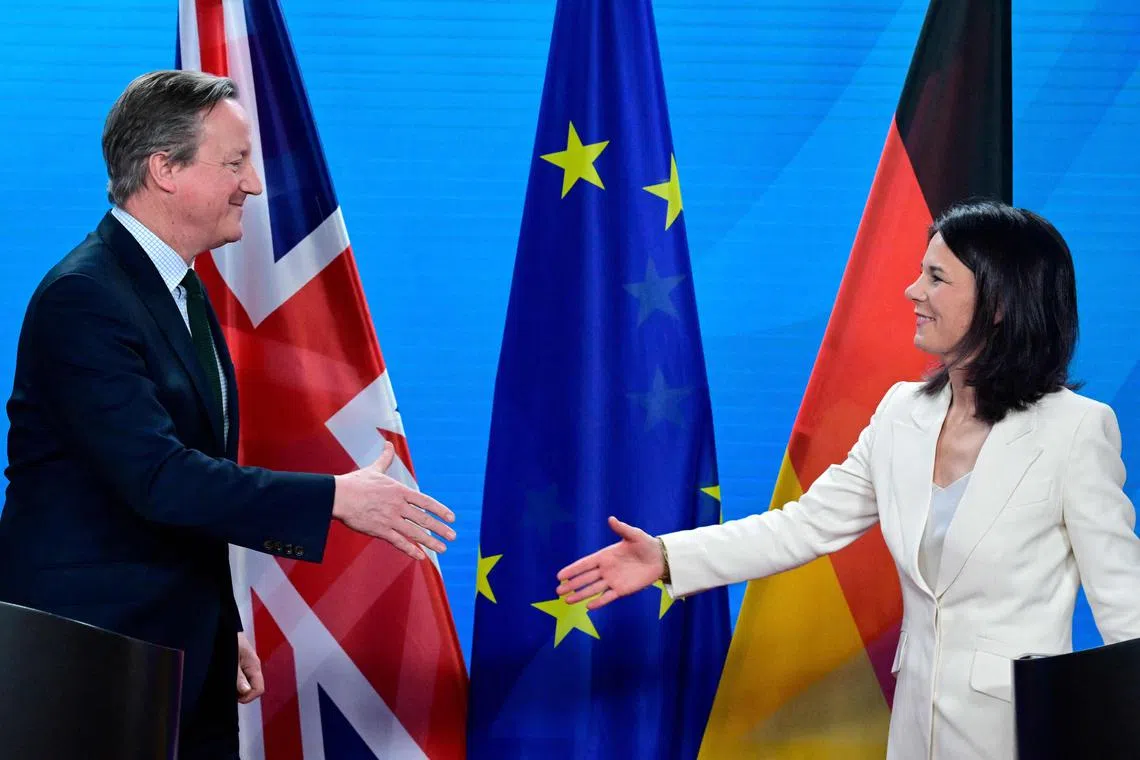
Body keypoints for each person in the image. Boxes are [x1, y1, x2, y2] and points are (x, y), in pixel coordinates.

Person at [557, 200, 1140, 760]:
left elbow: (1127, 608)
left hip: (1020, 735)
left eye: (937, 278)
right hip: (913, 734)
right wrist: (664, 557)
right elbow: (804, 527)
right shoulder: (900, 412)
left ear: (998, 304)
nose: (913, 291)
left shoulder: (1076, 431)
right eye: (920, 272)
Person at [0, 70, 456, 760]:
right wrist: (335, 498)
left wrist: (218, 627)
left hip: (172, 650)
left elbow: (193, 479)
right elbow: (159, 479)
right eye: (235, 162)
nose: (254, 184)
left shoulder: (176, 286)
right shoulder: (84, 298)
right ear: (165, 170)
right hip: (85, 663)